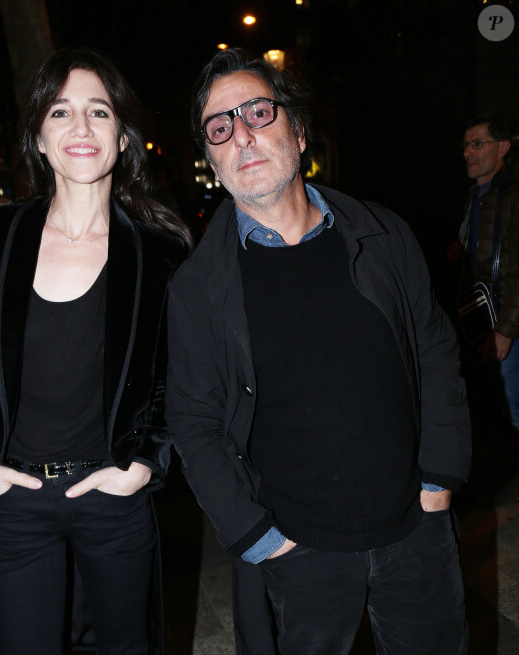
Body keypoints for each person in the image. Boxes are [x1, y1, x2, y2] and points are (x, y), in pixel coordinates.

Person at [165, 48, 471, 655]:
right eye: (220, 127)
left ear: (299, 132)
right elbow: (192, 422)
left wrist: (440, 477)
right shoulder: (197, 287)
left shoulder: (384, 234)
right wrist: (258, 537)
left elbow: (433, 349)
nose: (242, 136)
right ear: (212, 160)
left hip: (415, 528)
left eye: (258, 112)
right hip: (296, 553)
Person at [0, 48, 190, 655]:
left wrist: (145, 464)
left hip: (110, 498)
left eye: (99, 112)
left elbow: (173, 380)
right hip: (14, 501)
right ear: (38, 135)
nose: (80, 128)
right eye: (60, 112)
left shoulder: (160, 254)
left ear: (124, 137)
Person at [456, 114, 519, 432]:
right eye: (466, 145)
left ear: (503, 147)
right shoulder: (476, 197)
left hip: (510, 327)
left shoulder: (513, 196)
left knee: (515, 414)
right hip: (483, 322)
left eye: (478, 144)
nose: (468, 152)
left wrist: (505, 331)